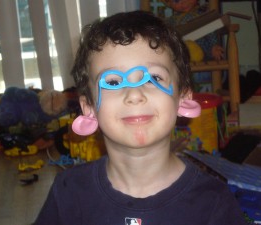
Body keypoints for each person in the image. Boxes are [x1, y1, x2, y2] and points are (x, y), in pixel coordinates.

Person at [34, 10, 246, 225]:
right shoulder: (69, 191)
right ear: (89, 108)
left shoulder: (214, 202)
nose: (134, 95)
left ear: (182, 98)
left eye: (154, 78)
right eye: (114, 82)